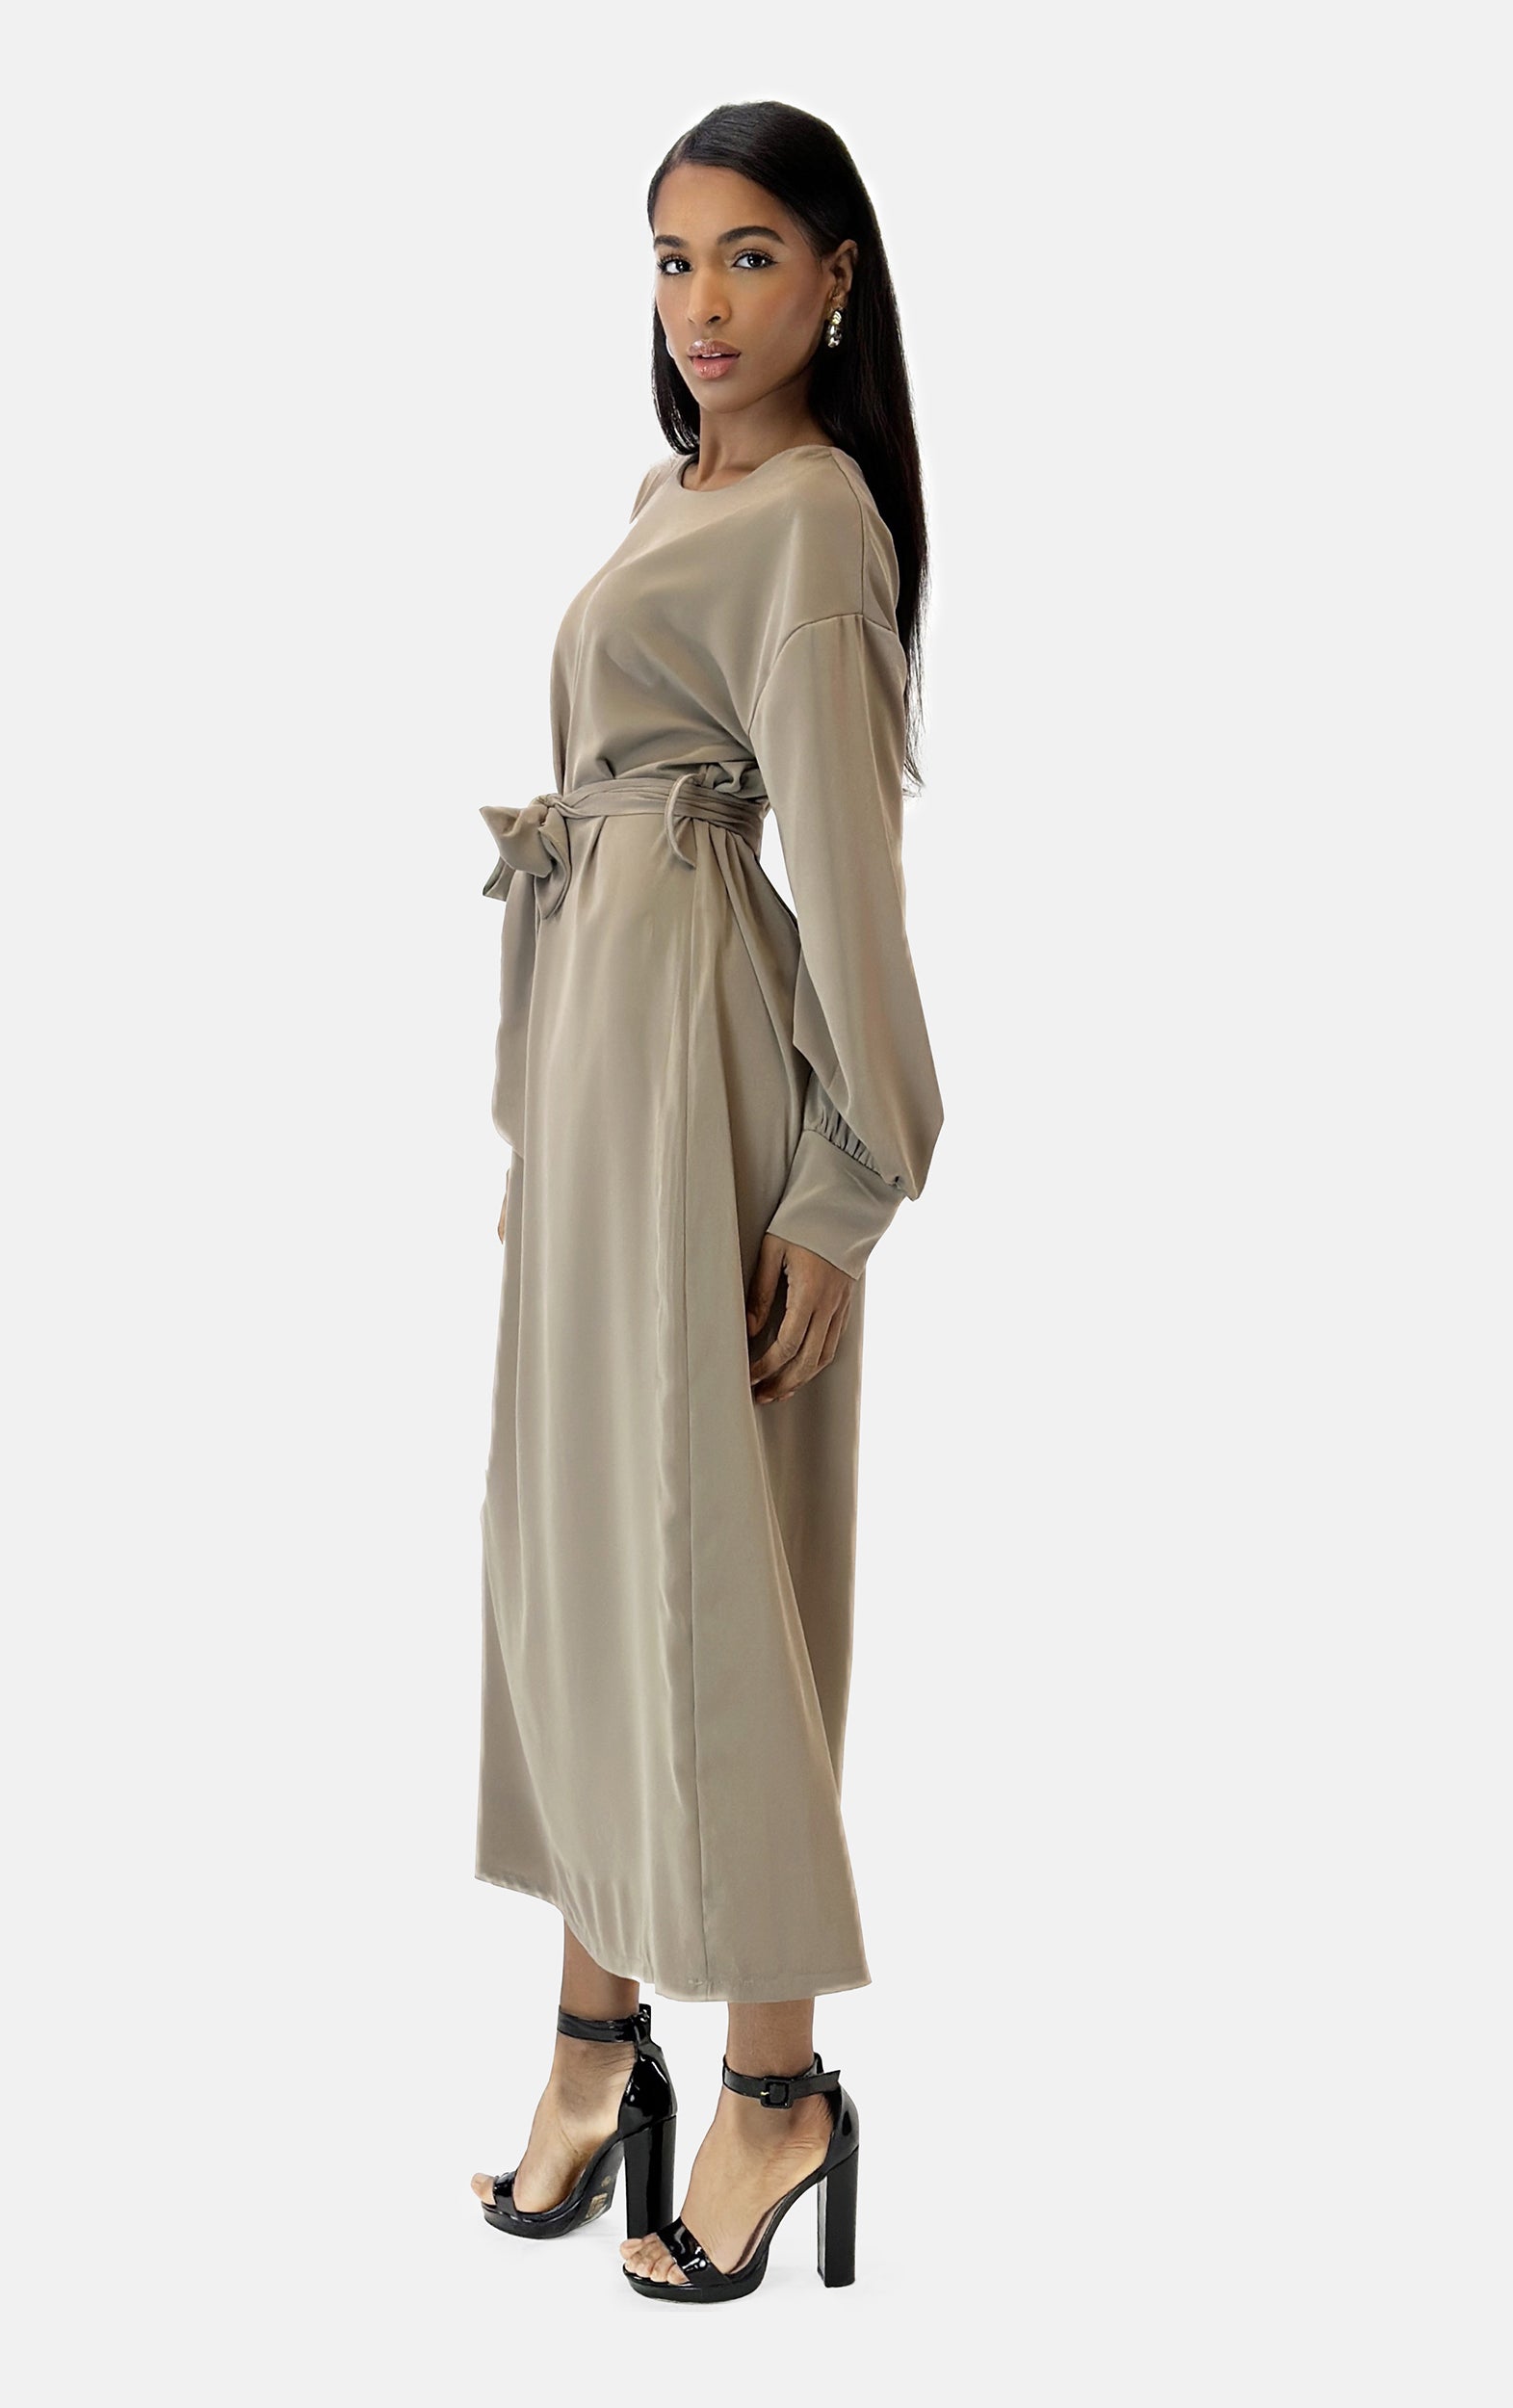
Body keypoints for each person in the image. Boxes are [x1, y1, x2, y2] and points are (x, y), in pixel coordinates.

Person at [467, 98, 944, 2304]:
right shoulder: (677, 494)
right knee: (576, 1557)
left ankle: (771, 2083)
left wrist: (841, 1186)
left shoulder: (814, 522)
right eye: (669, 260)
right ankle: (595, 2040)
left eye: (747, 255)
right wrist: (537, 1126)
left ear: (834, 277)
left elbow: (846, 866)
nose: (701, 304)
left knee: (709, 1581)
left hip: (697, 1074)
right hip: (597, 1072)